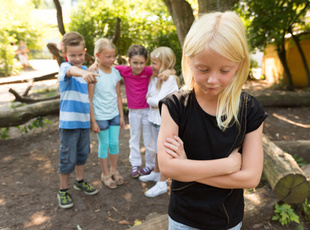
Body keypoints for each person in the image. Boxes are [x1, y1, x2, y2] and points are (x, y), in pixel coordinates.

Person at [157, 11, 268, 230]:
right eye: (203, 69)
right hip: (183, 219)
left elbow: (250, 178)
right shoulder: (174, 106)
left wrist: (186, 167)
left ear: (239, 65)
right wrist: (227, 166)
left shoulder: (250, 110)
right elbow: (168, 167)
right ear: (189, 61)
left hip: (227, 221)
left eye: (224, 70)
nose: (213, 80)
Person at [114, 45, 175, 178]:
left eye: (142, 63)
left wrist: (169, 72)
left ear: (146, 61)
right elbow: (107, 67)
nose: (138, 66)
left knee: (149, 140)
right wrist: (95, 65)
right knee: (134, 138)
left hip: (148, 111)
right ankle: (135, 164)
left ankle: (149, 164)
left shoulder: (148, 71)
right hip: (133, 111)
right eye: (135, 63)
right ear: (129, 61)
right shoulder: (124, 70)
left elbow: (168, 70)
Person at [57, 31, 99, 209]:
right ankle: (63, 190)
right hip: (69, 124)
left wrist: (92, 121)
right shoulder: (66, 68)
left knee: (82, 155)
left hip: (83, 123)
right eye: (72, 55)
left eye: (80, 54)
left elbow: (88, 100)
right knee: (67, 158)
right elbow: (70, 69)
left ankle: (79, 181)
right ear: (65, 54)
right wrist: (82, 73)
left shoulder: (86, 74)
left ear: (85, 51)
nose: (77, 58)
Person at [139, 47, 179, 198]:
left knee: (163, 152)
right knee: (157, 149)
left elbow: (158, 101)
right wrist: (150, 99)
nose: (151, 66)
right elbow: (152, 97)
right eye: (151, 62)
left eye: (154, 63)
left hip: (165, 122)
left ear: (165, 63)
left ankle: (162, 182)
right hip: (154, 119)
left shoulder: (170, 79)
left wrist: (148, 99)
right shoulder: (154, 77)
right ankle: (156, 173)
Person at [88, 38, 125, 189]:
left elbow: (118, 95)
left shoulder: (116, 73)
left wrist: (122, 116)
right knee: (104, 144)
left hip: (114, 114)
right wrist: (93, 121)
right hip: (100, 117)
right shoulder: (93, 73)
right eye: (107, 56)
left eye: (113, 56)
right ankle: (105, 174)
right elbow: (89, 99)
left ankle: (114, 170)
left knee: (114, 143)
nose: (111, 59)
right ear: (97, 55)